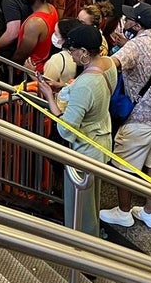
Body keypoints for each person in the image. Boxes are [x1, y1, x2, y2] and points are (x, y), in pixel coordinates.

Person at [99, 3, 151, 230]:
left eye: (129, 18)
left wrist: (92, 60)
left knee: (123, 166)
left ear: (137, 25)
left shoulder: (135, 45)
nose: (126, 21)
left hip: (141, 117)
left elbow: (112, 64)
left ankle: (123, 212)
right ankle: (150, 211)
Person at [37, 24, 114, 236]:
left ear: (84, 52)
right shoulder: (108, 64)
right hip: (102, 140)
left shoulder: (86, 84)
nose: (70, 56)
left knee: (80, 205)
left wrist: (49, 97)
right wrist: (63, 87)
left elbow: (66, 128)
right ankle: (93, 234)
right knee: (92, 199)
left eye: (72, 51)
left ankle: (81, 242)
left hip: (85, 150)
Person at [13, 0, 58, 71]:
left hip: (29, 70)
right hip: (41, 67)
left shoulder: (35, 23)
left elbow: (21, 55)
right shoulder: (51, 9)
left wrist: (10, 66)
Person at [42, 19, 80, 84]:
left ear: (65, 39)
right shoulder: (83, 55)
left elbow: (45, 84)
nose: (53, 35)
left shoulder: (57, 59)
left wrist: (30, 72)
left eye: (56, 33)